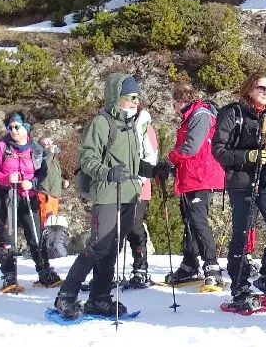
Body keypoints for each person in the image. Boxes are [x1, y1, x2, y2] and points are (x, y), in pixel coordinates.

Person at [55, 74, 143, 320]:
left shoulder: (130, 126)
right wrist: (107, 172)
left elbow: (131, 165)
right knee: (97, 247)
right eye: (131, 97)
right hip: (107, 195)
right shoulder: (101, 123)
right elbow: (87, 159)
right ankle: (67, 295)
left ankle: (100, 297)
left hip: (128, 195)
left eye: (137, 97)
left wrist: (151, 169)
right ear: (117, 98)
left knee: (113, 248)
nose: (136, 102)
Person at [212, 72, 266, 313]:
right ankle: (239, 287)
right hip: (242, 181)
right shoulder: (232, 113)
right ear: (250, 89)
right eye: (261, 88)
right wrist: (248, 156)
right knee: (242, 235)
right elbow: (218, 149)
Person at [0, 111, 61, 292]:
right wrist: (6, 178)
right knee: (8, 238)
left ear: (26, 127)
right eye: (10, 127)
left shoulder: (36, 149)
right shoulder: (2, 147)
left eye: (17, 126)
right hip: (6, 197)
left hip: (28, 197)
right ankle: (9, 277)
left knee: (36, 234)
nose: (13, 130)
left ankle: (45, 271)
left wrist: (33, 182)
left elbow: (43, 172)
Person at [162, 82, 224, 289]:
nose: (175, 106)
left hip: (200, 176)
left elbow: (190, 147)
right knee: (190, 221)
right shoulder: (193, 116)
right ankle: (190, 263)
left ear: (181, 101)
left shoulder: (200, 116)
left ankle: (211, 264)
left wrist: (170, 159)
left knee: (198, 221)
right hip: (191, 176)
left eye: (176, 102)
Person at [122, 102, 160, 289]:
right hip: (119, 186)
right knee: (116, 228)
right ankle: (107, 270)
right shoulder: (117, 124)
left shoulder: (145, 127)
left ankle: (141, 266)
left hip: (139, 184)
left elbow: (151, 156)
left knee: (134, 225)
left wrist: (140, 178)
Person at [33, 137, 68, 284]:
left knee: (52, 227)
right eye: (46, 143)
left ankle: (50, 255)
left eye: (51, 142)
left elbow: (53, 177)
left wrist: (62, 182)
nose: (51, 145)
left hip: (54, 195)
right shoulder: (42, 157)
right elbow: (40, 174)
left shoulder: (54, 159)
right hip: (45, 195)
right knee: (44, 228)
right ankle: (43, 262)